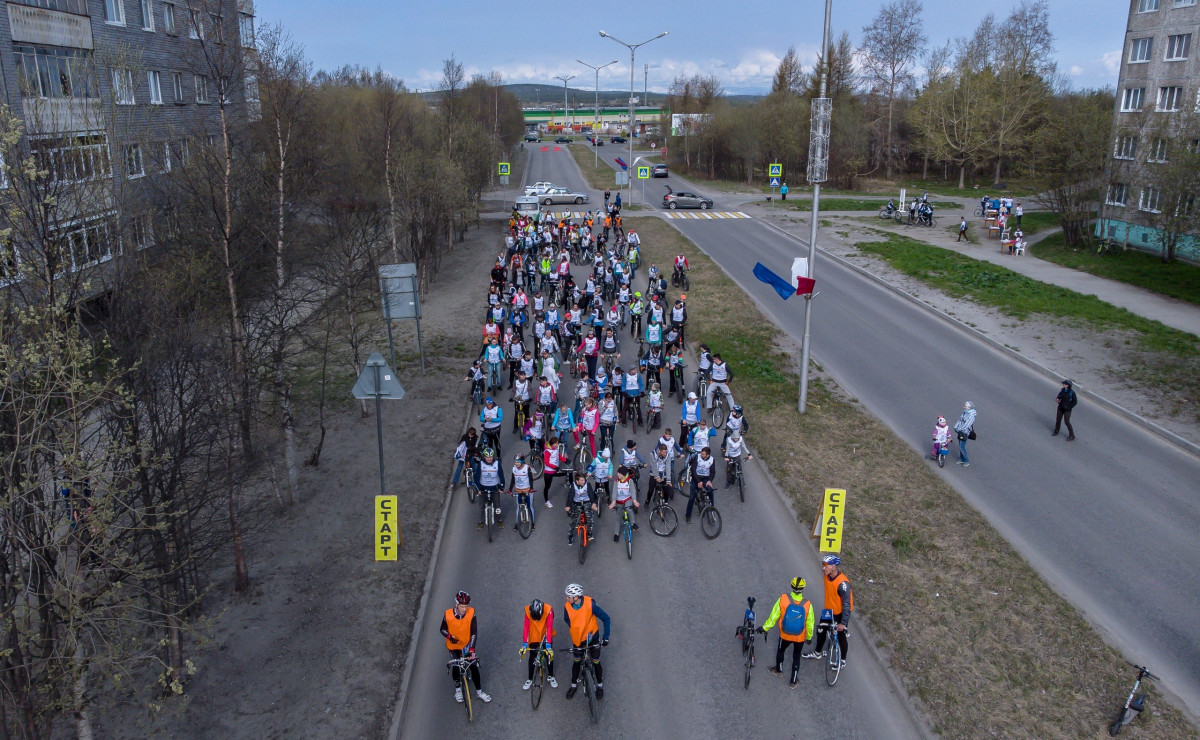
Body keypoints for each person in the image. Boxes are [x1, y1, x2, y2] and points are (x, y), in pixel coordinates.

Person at [758, 577, 815, 689]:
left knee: (781, 650)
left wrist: (765, 628)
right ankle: (793, 680)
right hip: (799, 637)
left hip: (785, 634)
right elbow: (810, 623)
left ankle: (779, 670)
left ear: (792, 587)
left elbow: (774, 616)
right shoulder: (807, 604)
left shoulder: (783, 599)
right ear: (803, 589)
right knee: (796, 656)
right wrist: (809, 637)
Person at [562, 583, 612, 700]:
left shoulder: (590, 604)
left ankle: (599, 685)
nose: (567, 598)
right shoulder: (567, 606)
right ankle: (573, 685)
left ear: (576, 597)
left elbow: (606, 618)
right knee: (577, 662)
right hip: (578, 639)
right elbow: (567, 619)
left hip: (592, 638)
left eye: (569, 596)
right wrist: (576, 628)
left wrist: (606, 637)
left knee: (596, 662)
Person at [441, 591, 491, 704]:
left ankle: (479, 692)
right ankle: (458, 690)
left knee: (473, 666)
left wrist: (472, 650)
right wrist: (449, 636)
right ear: (456, 605)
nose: (464, 609)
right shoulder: (448, 614)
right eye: (462, 606)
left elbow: (474, 632)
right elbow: (442, 629)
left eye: (466, 606)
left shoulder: (471, 613)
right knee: (456, 667)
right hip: (453, 646)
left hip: (466, 645)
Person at [810, 555, 853, 669]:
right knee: (820, 630)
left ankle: (842, 660)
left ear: (834, 567)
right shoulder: (827, 576)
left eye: (826, 566)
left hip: (839, 613)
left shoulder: (843, 585)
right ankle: (817, 652)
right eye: (823, 566)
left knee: (841, 635)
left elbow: (847, 605)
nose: (823, 568)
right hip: (828, 610)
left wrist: (843, 623)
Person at [521, 599, 558, 691]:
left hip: (545, 634)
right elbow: (526, 627)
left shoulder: (549, 610)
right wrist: (524, 644)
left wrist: (548, 646)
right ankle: (529, 679)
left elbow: (549, 628)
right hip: (534, 633)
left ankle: (551, 676)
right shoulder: (527, 611)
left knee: (548, 655)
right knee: (532, 656)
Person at [474, 448, 505, 529]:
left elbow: (501, 476)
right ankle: (480, 522)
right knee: (481, 506)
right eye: (487, 457)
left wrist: (501, 487)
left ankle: (499, 520)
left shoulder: (497, 463)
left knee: (497, 506)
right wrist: (478, 489)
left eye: (491, 457)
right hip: (483, 487)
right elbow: (476, 477)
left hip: (494, 487)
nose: (489, 458)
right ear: (484, 457)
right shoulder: (481, 464)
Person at [685, 446, 716, 523]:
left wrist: (710, 481)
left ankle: (712, 508)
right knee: (692, 497)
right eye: (701, 453)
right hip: (696, 478)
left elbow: (712, 472)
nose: (701, 455)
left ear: (707, 455)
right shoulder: (697, 457)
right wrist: (698, 481)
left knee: (710, 491)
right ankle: (688, 516)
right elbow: (693, 470)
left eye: (703, 454)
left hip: (705, 478)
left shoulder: (712, 460)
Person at [609, 465, 639, 541]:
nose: (617, 475)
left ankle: (633, 523)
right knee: (618, 517)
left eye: (619, 473)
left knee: (629, 509)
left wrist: (634, 500)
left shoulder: (630, 481)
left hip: (627, 499)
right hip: (619, 500)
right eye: (617, 473)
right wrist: (613, 502)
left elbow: (632, 491)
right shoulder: (616, 482)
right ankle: (616, 533)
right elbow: (614, 492)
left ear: (624, 474)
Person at [508, 453, 536, 530]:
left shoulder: (527, 468)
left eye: (518, 462)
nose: (516, 463)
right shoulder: (514, 469)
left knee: (530, 507)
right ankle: (516, 524)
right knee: (518, 507)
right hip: (518, 490)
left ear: (522, 461)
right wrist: (510, 489)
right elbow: (513, 480)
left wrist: (531, 489)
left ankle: (532, 523)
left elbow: (531, 479)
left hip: (527, 489)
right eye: (515, 462)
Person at [953, 401, 976, 467]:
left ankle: (966, 460)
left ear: (969, 407)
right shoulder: (965, 412)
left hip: (965, 432)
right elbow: (960, 420)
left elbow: (967, 424)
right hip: (960, 431)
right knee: (960, 445)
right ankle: (961, 459)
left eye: (965, 406)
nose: (964, 407)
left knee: (961, 446)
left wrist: (959, 429)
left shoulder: (971, 415)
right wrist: (956, 427)